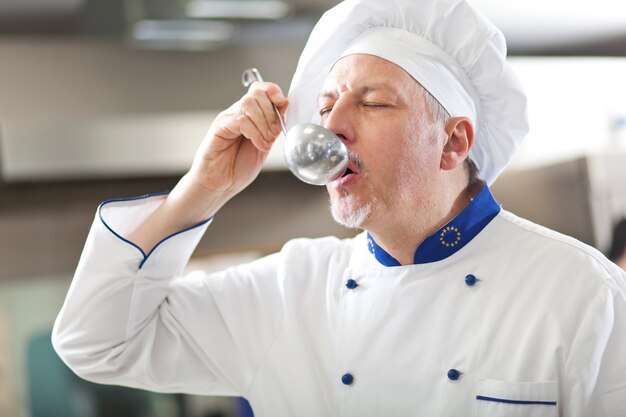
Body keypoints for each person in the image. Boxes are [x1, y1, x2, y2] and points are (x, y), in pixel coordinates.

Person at [52, 0, 626, 415]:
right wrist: (200, 190)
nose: (332, 127)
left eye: (373, 102)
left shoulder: (581, 293)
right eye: (325, 106)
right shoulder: (290, 290)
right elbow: (95, 343)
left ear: (453, 142)